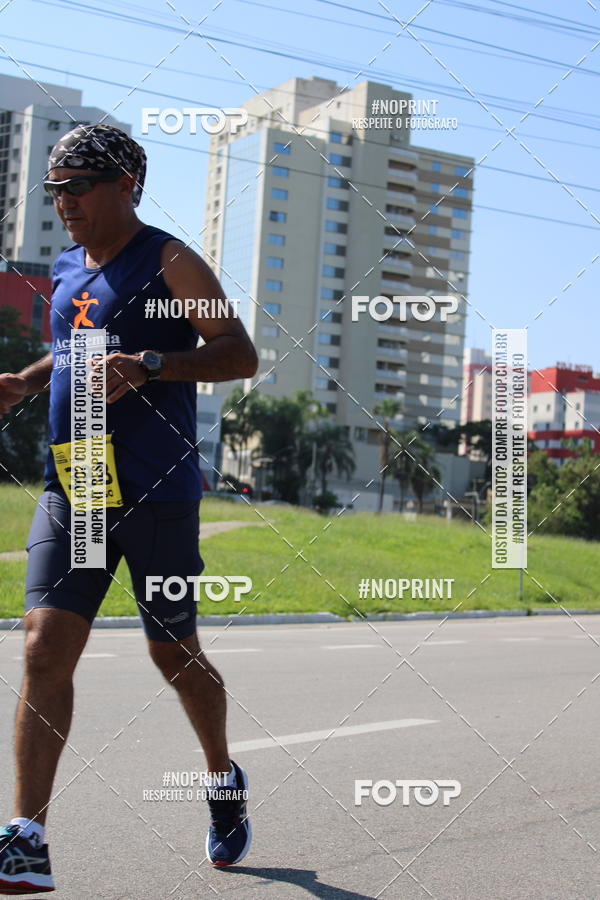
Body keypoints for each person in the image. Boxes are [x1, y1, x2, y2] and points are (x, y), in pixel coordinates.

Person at [0, 124, 258, 894]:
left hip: (158, 491)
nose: (63, 202)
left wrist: (150, 364)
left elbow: (239, 353)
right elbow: (76, 347)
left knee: (173, 653)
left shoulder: (172, 260)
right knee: (44, 647)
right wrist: (25, 382)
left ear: (125, 186)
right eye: (55, 189)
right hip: (78, 483)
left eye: (77, 186)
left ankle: (221, 779)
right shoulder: (66, 267)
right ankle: (27, 837)